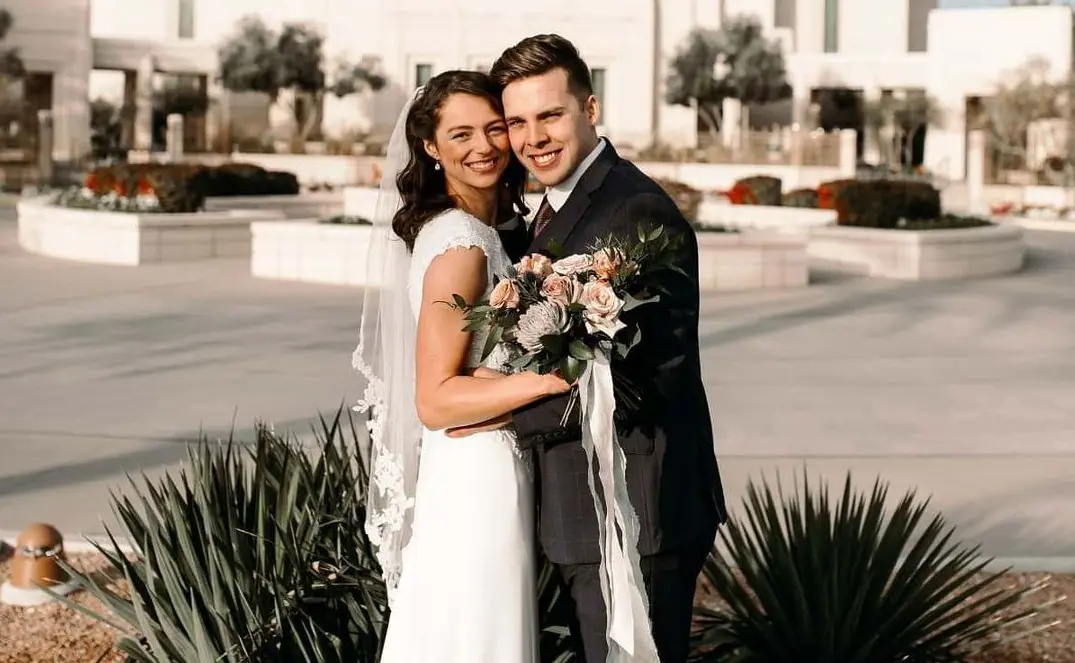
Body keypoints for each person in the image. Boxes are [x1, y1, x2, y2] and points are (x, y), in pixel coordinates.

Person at [486, 34, 728, 663]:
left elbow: (652, 376)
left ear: (590, 109)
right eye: (517, 121)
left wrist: (489, 413)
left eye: (550, 114)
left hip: (633, 511)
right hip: (578, 510)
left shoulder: (635, 210)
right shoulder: (546, 210)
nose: (533, 136)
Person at [352, 70, 572, 663]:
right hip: (478, 475)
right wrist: (555, 377)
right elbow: (437, 400)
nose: (483, 147)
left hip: (486, 463)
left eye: (494, 128)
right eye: (461, 134)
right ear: (430, 147)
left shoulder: (482, 232)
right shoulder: (462, 245)